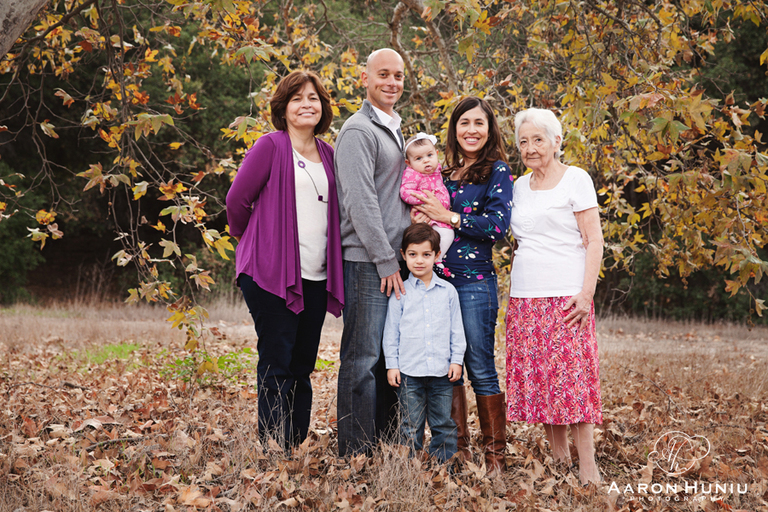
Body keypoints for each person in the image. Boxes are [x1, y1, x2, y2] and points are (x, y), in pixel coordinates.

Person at [226, 70, 344, 450]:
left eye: (313, 97)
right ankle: (273, 448)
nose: (306, 104)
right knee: (277, 359)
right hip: (268, 273)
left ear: (322, 106)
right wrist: (258, 243)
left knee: (302, 365)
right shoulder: (271, 146)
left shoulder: (329, 153)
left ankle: (294, 443)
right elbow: (236, 202)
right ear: (284, 107)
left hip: (314, 274)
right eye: (297, 98)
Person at [411, 96, 514, 475]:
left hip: (473, 284)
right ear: (454, 129)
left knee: (480, 367)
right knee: (444, 366)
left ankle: (495, 459)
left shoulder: (498, 172)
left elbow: (497, 226)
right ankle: (456, 451)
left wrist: (448, 216)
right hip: (435, 282)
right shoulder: (443, 170)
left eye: (479, 123)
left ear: (490, 130)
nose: (471, 130)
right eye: (464, 122)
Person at [505, 107, 603, 485]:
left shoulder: (576, 179)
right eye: (524, 141)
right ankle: (560, 460)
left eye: (538, 139)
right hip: (526, 297)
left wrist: (586, 293)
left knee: (574, 380)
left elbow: (594, 240)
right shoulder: (517, 186)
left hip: (567, 296)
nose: (530, 147)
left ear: (557, 141)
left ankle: (588, 467)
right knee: (544, 381)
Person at [334, 48, 412, 457]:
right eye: (383, 74)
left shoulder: (394, 128)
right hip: (367, 262)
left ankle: (385, 443)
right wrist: (385, 260)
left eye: (398, 76)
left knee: (389, 357)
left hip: (394, 260)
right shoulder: (358, 130)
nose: (391, 83)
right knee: (362, 358)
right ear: (365, 78)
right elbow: (360, 203)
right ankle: (354, 451)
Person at [383, 223, 466, 462]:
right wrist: (392, 365)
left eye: (426, 255)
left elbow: (456, 331)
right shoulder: (400, 292)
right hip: (409, 372)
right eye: (413, 254)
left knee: (443, 422)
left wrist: (456, 361)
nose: (419, 260)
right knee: (410, 422)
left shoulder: (448, 292)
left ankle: (444, 466)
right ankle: (408, 469)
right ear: (403, 255)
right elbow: (391, 333)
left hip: (442, 371)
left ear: (437, 256)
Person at [400, 133, 454, 262]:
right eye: (418, 158)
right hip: (425, 216)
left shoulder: (439, 170)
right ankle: (433, 260)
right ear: (409, 163)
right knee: (427, 240)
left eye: (430, 155)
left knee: (447, 235)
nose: (426, 160)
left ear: (436, 154)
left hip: (440, 217)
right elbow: (405, 192)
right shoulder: (413, 174)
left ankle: (437, 259)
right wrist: (424, 199)